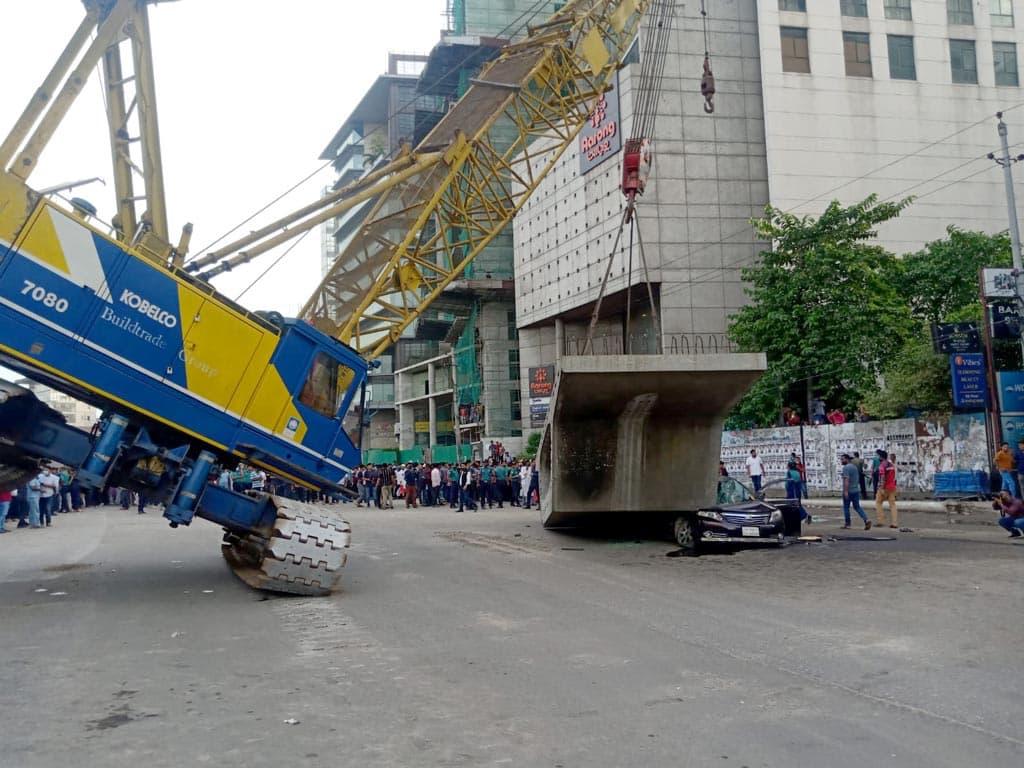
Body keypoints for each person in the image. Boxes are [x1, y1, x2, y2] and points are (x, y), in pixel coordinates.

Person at [840, 453, 871, 530]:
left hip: (849, 490)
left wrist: (846, 491)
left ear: (847, 459)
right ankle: (866, 519)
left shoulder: (846, 468)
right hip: (855, 490)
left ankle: (848, 524)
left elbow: (846, 480)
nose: (841, 461)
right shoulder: (854, 467)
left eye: (842, 459)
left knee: (846, 507)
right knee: (857, 507)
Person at [875, 450, 898, 529]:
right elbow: (894, 476)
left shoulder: (882, 465)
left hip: (884, 487)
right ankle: (894, 523)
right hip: (892, 487)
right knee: (892, 505)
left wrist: (881, 488)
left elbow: (882, 477)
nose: (878, 457)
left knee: (878, 503)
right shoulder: (891, 464)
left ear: (881, 457)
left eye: (878, 456)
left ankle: (881, 521)